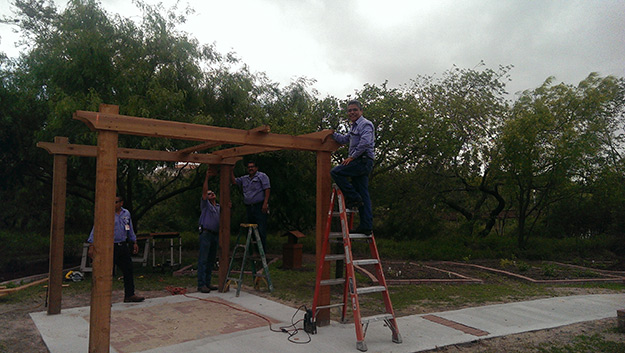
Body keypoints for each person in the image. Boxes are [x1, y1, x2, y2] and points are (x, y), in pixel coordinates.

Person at [87, 196, 144, 303]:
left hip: (122, 245)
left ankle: (129, 295)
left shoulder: (126, 213)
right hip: (109, 246)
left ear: (121, 203)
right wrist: (91, 245)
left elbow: (129, 228)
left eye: (116, 202)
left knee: (128, 269)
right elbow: (96, 229)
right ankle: (102, 298)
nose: (113, 204)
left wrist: (134, 242)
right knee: (107, 272)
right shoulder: (105, 213)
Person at [330, 100, 375, 235]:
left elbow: (365, 143)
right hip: (360, 161)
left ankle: (353, 197)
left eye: (355, 110)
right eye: (349, 111)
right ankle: (366, 226)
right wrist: (331, 133)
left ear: (361, 111)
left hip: (362, 160)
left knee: (336, 172)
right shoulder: (354, 127)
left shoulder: (365, 124)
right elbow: (344, 140)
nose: (352, 112)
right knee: (363, 194)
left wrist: (352, 157)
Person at [231, 161, 271, 251]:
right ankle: (252, 252)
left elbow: (267, 189)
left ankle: (261, 251)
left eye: (252, 167)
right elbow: (234, 181)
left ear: (256, 168)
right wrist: (231, 170)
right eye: (249, 167)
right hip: (249, 207)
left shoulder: (261, 176)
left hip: (259, 206)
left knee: (261, 229)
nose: (250, 168)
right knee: (250, 230)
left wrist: (265, 203)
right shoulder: (245, 178)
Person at [197, 167, 220, 293]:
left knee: (211, 260)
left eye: (213, 193)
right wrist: (207, 178)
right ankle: (201, 284)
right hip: (206, 233)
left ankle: (208, 282)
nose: (211, 194)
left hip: (215, 235)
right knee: (203, 259)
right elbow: (204, 192)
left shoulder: (218, 207)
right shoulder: (206, 206)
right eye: (210, 193)